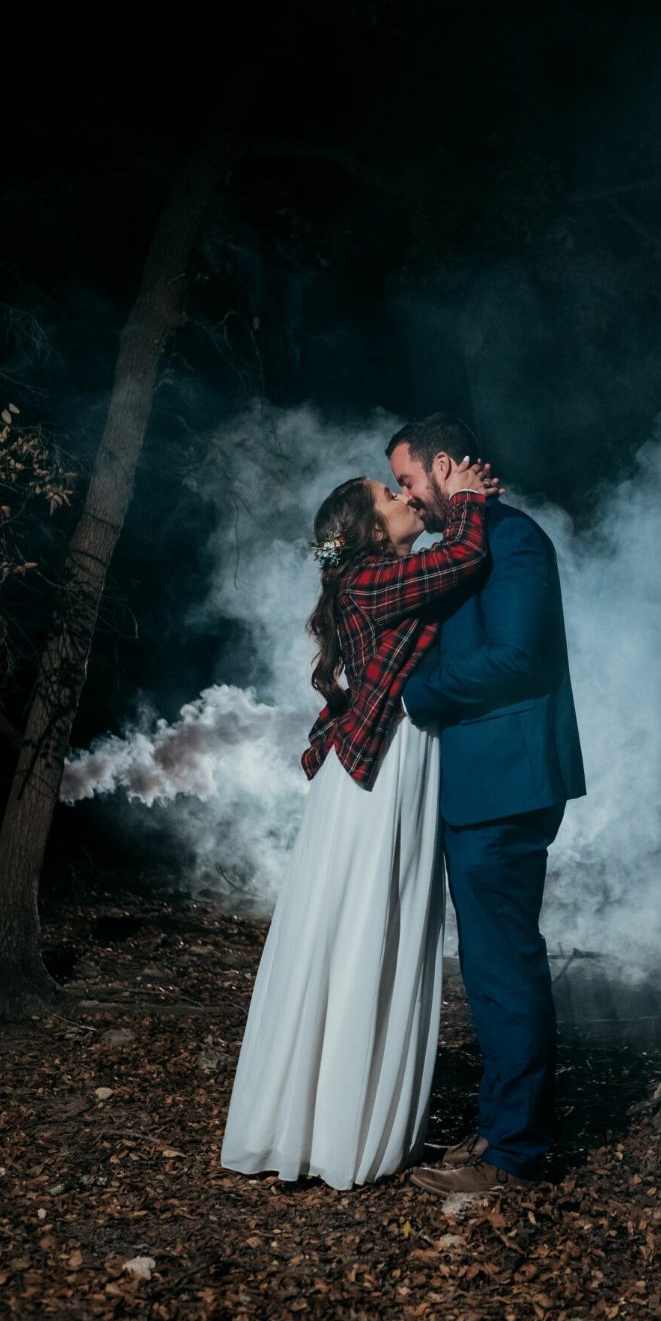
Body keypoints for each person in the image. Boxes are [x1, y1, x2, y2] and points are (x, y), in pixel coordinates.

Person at [219, 453, 495, 1189]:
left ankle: (327, 1123)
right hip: (377, 772)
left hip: (386, 765)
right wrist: (465, 497)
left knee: (365, 927)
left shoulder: (371, 578)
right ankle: (336, 1134)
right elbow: (464, 557)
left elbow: (445, 572)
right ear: (372, 529)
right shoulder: (370, 579)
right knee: (364, 925)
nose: (403, 494)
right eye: (388, 492)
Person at [387, 413, 586, 1194]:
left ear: (441, 466)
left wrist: (412, 697)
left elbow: (517, 657)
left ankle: (516, 1157)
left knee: (504, 966)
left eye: (408, 480)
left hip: (506, 784)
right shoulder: (458, 547)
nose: (407, 495)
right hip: (474, 787)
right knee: (487, 964)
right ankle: (501, 1133)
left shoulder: (516, 538)